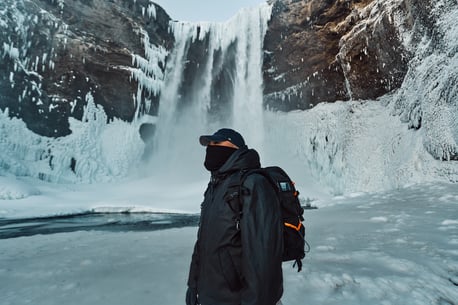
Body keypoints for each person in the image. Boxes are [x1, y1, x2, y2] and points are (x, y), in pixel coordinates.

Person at [186, 128, 284, 305]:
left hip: (238, 299)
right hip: (210, 296)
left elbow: (263, 256)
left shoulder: (254, 184)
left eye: (217, 143)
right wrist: (193, 285)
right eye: (209, 144)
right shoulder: (215, 186)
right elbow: (203, 242)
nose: (211, 148)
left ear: (235, 147)